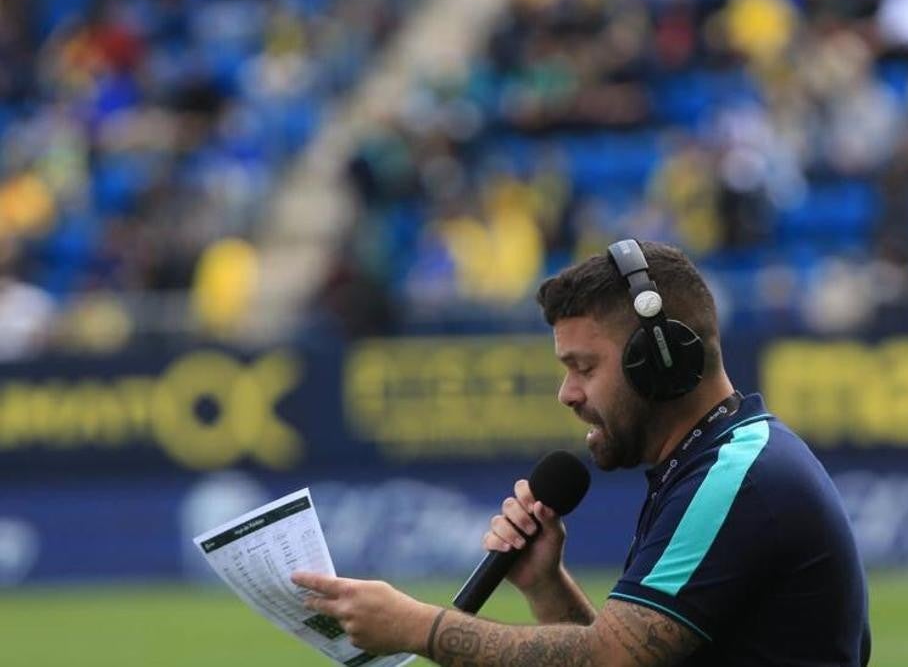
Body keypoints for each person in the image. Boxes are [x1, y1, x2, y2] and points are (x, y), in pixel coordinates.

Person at [292, 239, 871, 665]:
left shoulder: (735, 476)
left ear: (662, 361)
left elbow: (608, 663)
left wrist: (417, 626)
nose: (567, 394)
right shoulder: (709, 464)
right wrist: (547, 584)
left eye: (584, 368)